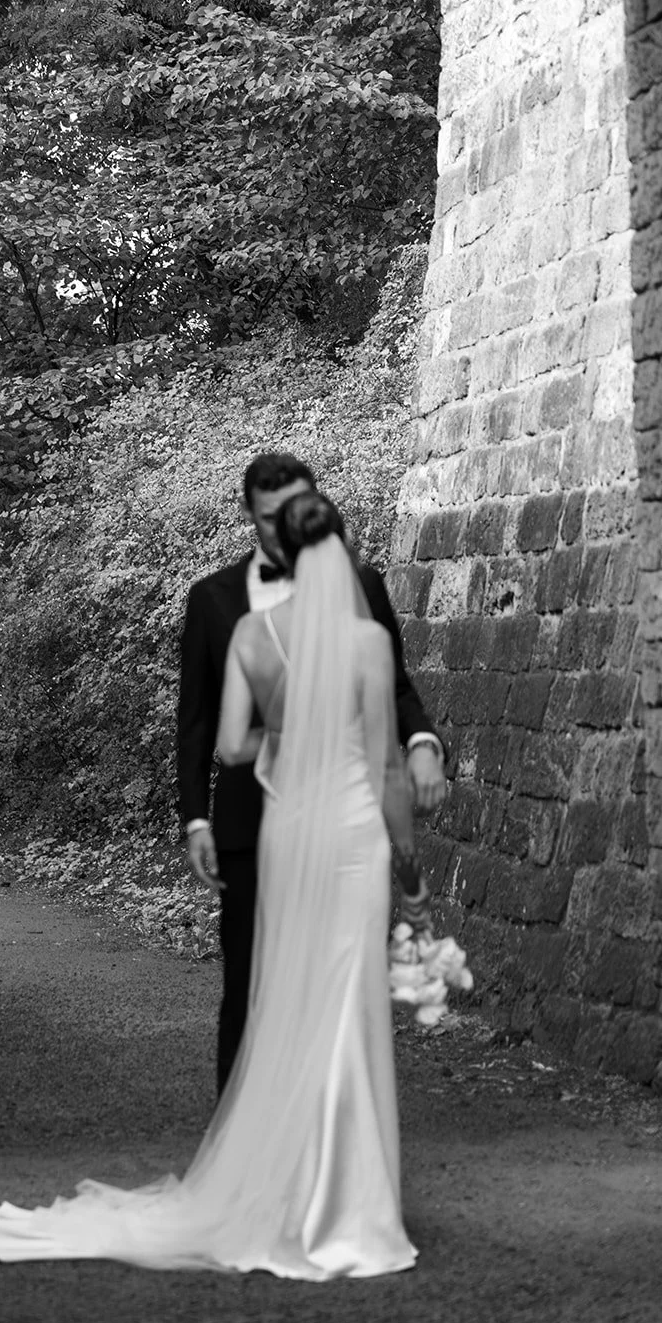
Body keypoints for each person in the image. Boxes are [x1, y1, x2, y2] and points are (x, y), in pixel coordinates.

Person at [0, 490, 421, 1278]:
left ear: (279, 551)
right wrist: (406, 848)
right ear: (342, 554)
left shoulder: (254, 633)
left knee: (288, 996)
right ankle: (348, 1203)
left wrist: (287, 731)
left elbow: (226, 747)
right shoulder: (366, 643)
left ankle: (280, 1189)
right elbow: (386, 763)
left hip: (287, 830)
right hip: (352, 832)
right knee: (345, 1003)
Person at [177, 452, 446, 1093]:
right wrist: (195, 818)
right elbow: (194, 720)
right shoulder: (213, 599)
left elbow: (396, 691)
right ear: (251, 516)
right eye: (269, 517)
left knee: (339, 983)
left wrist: (423, 740)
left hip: (340, 823)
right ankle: (240, 1152)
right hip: (252, 826)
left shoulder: (366, 588)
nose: (282, 528)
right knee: (246, 986)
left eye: (292, 512)